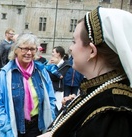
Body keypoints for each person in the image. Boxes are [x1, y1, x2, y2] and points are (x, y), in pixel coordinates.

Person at [40, 7, 132, 137]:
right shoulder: (97, 90)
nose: (70, 49)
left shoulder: (114, 111)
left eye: (74, 42)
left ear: (92, 51)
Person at [0, 33, 56, 137]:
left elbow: (51, 98)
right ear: (16, 50)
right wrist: (6, 126)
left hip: (37, 126)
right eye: (25, 49)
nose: (29, 53)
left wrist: (50, 116)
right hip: (14, 128)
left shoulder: (41, 71)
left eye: (32, 49)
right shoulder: (6, 74)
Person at [48, 46, 71, 111]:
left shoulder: (66, 65)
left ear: (58, 54)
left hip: (59, 90)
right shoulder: (52, 63)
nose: (52, 54)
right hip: (51, 88)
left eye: (53, 52)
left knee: (57, 107)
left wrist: (49, 72)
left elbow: (57, 77)